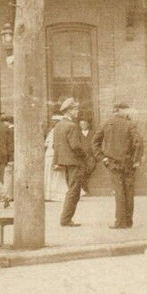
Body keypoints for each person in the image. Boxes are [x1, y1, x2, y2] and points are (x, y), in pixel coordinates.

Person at [96, 101, 144, 228]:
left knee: (119, 192)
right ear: (121, 110)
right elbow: (139, 143)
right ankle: (128, 221)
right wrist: (136, 160)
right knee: (129, 192)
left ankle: (120, 222)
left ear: (114, 110)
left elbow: (95, 142)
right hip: (128, 164)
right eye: (126, 109)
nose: (127, 112)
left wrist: (103, 158)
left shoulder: (106, 124)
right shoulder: (130, 124)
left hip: (112, 163)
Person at [52, 97, 88, 227]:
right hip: (75, 162)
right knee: (74, 191)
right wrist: (84, 155)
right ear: (68, 111)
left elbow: (55, 146)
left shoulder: (58, 125)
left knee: (71, 189)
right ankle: (66, 219)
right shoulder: (72, 126)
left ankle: (65, 218)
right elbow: (76, 146)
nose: (77, 111)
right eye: (75, 109)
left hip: (64, 162)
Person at [43, 115, 67, 202]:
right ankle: (51, 194)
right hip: (50, 155)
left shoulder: (55, 131)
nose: (53, 123)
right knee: (52, 175)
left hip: (53, 155)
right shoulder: (53, 131)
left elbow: (51, 145)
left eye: (55, 121)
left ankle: (54, 195)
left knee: (55, 175)